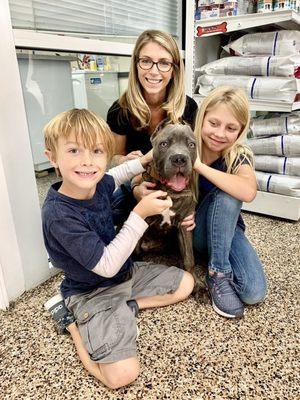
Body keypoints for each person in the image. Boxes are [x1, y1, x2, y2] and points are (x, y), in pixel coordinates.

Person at [42, 108, 194, 389]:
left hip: (124, 276)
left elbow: (118, 173)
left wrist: (146, 159)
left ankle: (129, 307)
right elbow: (106, 264)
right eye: (74, 151)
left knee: (186, 283)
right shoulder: (59, 216)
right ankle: (70, 322)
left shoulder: (96, 183)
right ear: (52, 158)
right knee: (121, 376)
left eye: (97, 151)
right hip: (91, 291)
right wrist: (138, 214)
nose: (87, 162)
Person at [106, 29, 198, 226]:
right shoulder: (119, 110)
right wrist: (133, 179)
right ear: (136, 65)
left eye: (164, 63)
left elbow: (195, 158)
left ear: (174, 69)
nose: (154, 71)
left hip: (177, 182)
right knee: (108, 212)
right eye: (146, 61)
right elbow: (113, 158)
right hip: (137, 183)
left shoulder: (188, 108)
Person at [192, 86, 267, 319]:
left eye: (231, 128)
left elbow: (247, 190)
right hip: (193, 229)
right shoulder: (187, 145)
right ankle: (218, 273)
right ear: (201, 118)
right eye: (213, 123)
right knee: (228, 192)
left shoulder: (239, 154)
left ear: (240, 130)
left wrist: (199, 167)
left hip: (228, 229)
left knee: (254, 292)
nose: (220, 133)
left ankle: (216, 259)